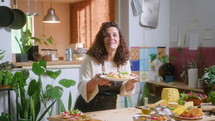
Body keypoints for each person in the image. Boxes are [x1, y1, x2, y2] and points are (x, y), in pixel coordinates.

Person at [74, 22, 139, 112]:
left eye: (115, 35)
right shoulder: (90, 59)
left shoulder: (124, 61)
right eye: (107, 35)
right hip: (87, 109)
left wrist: (131, 82)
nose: (111, 38)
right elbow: (82, 87)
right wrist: (95, 81)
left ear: (119, 39)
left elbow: (124, 89)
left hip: (109, 109)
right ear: (102, 39)